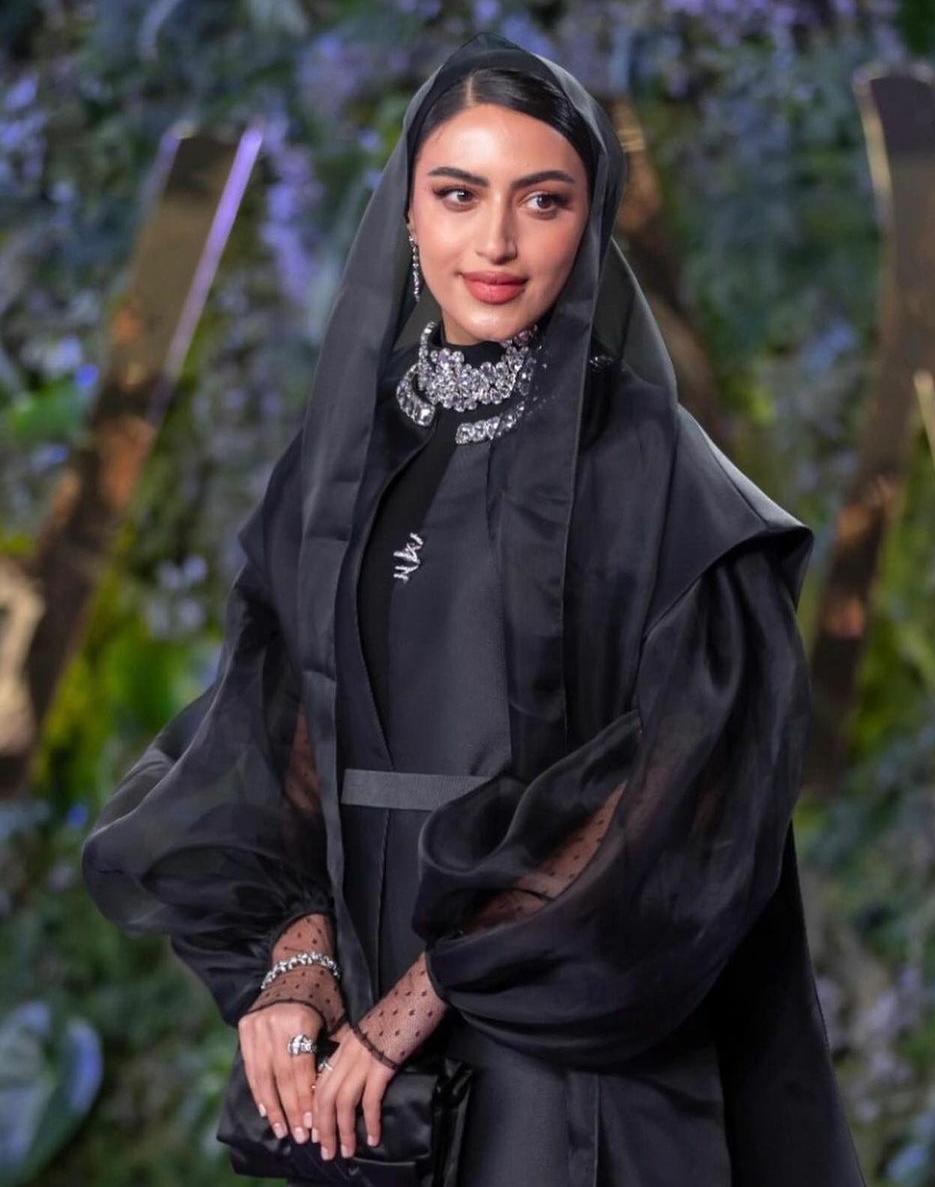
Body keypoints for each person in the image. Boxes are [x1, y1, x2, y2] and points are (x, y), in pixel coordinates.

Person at [81, 31, 867, 1187]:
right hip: (357, 1055)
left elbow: (680, 781)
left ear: (589, 222)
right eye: (459, 194)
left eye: (542, 201)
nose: (495, 242)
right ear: (409, 212)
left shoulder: (657, 471)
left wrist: (422, 997)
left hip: (570, 1033)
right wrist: (295, 966)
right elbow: (275, 732)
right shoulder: (339, 463)